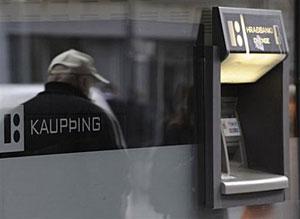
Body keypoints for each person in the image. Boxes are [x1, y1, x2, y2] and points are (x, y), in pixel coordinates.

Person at [22, 49, 124, 155]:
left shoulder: (17, 117)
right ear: (83, 82)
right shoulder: (94, 116)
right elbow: (115, 166)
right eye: (91, 83)